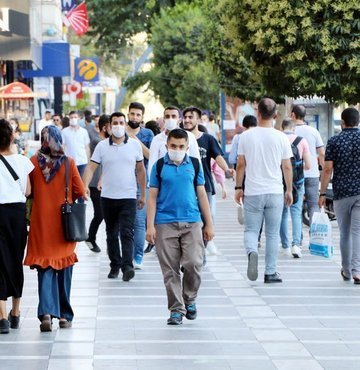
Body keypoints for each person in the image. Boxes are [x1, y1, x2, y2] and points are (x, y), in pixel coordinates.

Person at [146, 129, 214, 325]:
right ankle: (176, 309)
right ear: (167, 146)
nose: (177, 150)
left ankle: (189, 299)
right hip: (164, 223)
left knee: (194, 263)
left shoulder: (194, 164)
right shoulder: (159, 166)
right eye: (173, 146)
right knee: (170, 270)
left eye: (181, 146)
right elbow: (152, 198)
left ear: (187, 147)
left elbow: (201, 194)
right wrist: (150, 226)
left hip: (192, 221)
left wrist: (209, 223)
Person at [24, 125, 85, 332]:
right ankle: (64, 316)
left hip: (41, 223)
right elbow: (80, 191)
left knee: (45, 268)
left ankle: (46, 314)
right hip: (64, 224)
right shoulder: (68, 163)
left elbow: (27, 192)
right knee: (64, 269)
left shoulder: (32, 162)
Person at [82, 112, 147, 281]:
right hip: (108, 197)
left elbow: (140, 170)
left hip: (129, 197)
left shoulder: (134, 145)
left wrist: (143, 194)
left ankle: (127, 266)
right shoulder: (102, 146)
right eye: (115, 123)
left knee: (127, 232)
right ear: (109, 126)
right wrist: (84, 186)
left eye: (121, 122)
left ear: (125, 125)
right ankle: (114, 265)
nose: (118, 126)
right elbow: (90, 167)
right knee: (111, 233)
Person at [235, 98, 293, 284]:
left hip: (252, 191)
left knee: (251, 230)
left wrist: (238, 187)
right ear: (276, 115)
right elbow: (287, 167)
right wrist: (289, 190)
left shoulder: (246, 136)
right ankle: (270, 272)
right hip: (275, 190)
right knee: (272, 233)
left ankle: (252, 251)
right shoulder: (281, 137)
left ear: (257, 113)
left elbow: (241, 164)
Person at [183, 106, 235, 255]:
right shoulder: (180, 138)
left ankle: (207, 243)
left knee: (207, 217)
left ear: (198, 120)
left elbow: (218, 156)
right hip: (184, 186)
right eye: (185, 117)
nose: (187, 120)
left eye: (190, 117)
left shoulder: (208, 139)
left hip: (204, 184)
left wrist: (226, 169)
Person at [0, 119, 34, 334]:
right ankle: (15, 312)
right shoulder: (23, 161)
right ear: (12, 137)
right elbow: (28, 191)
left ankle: (1, 316)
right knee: (14, 259)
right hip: (16, 215)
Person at [319, 108, 360, 284]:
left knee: (344, 233)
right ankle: (358, 270)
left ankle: (346, 270)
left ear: (342, 122)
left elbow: (327, 169)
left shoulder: (334, 141)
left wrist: (322, 193)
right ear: (357, 121)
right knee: (357, 232)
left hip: (341, 192)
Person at [126, 102, 154, 269]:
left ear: (142, 117)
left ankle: (138, 256)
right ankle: (127, 256)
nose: (134, 117)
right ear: (128, 114)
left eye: (138, 114)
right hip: (123, 183)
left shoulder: (148, 134)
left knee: (138, 221)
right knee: (126, 222)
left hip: (142, 183)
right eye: (132, 114)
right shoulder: (120, 132)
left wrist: (134, 139)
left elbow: (151, 156)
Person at [280, 119, 311, 258]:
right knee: (296, 212)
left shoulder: (278, 138)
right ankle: (296, 245)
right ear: (293, 128)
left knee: (283, 214)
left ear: (282, 127)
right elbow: (309, 165)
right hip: (298, 182)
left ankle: (285, 245)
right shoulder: (301, 140)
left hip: (280, 182)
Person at [292, 105, 325, 224]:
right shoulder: (313, 131)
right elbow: (321, 153)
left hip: (294, 175)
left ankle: (297, 239)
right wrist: (323, 170)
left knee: (296, 207)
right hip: (312, 174)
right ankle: (314, 236)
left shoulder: (290, 132)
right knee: (313, 205)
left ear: (293, 115)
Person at [148, 106, 201, 176]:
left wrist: (199, 183)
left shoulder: (190, 137)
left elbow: (197, 161)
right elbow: (152, 164)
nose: (170, 119)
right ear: (164, 119)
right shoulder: (157, 139)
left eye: (173, 116)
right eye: (167, 116)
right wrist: (153, 184)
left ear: (179, 120)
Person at [85, 114, 110, 253]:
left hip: (104, 182)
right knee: (100, 213)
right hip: (96, 183)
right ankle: (90, 238)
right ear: (105, 127)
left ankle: (93, 238)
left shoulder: (106, 141)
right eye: (111, 125)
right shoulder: (97, 141)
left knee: (103, 213)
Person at [62, 111, 90, 178]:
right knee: (69, 183)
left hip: (82, 161)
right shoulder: (64, 131)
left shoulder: (84, 131)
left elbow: (87, 147)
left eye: (75, 117)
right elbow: (63, 146)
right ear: (69, 119)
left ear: (79, 118)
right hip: (69, 162)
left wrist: (88, 161)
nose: (73, 119)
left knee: (81, 184)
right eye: (71, 117)